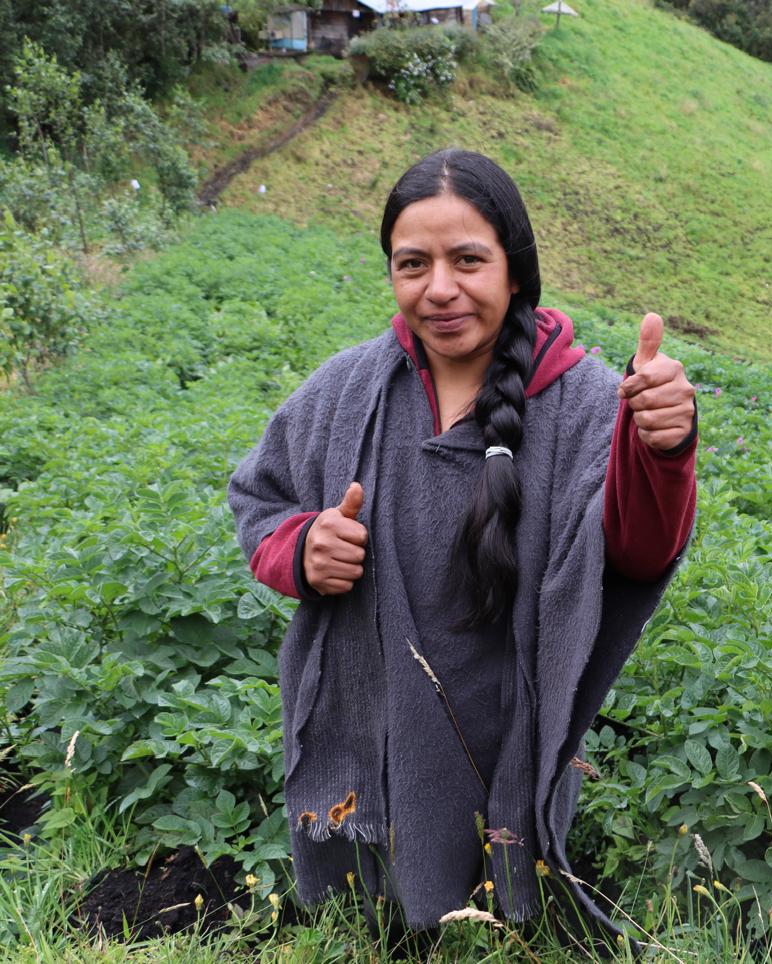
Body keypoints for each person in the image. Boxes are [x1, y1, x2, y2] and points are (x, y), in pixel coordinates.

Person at [227, 148, 697, 945]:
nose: (438, 288)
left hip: (502, 736)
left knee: (495, 920)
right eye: (412, 264)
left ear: (515, 269)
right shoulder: (350, 390)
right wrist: (302, 550)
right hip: (373, 730)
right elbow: (257, 497)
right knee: (371, 924)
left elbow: (638, 555)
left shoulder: (584, 403)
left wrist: (661, 450)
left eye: (467, 260)